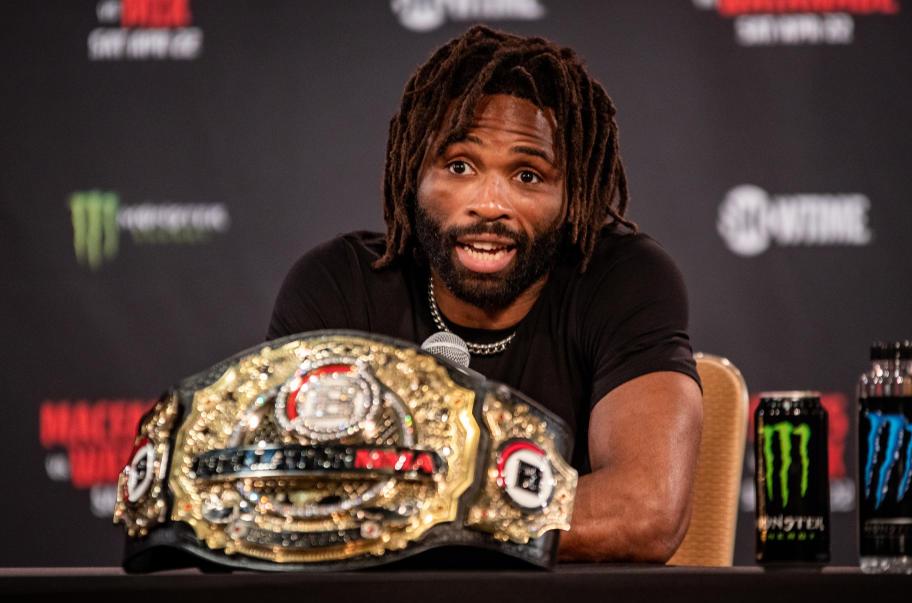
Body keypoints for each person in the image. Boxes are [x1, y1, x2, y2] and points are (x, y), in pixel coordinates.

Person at [267, 25, 703, 563]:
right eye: (459, 166)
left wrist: (419, 514)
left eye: (527, 175)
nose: (490, 203)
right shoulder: (340, 286)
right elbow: (277, 505)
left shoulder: (621, 278)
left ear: (572, 198)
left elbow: (645, 511)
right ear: (413, 176)